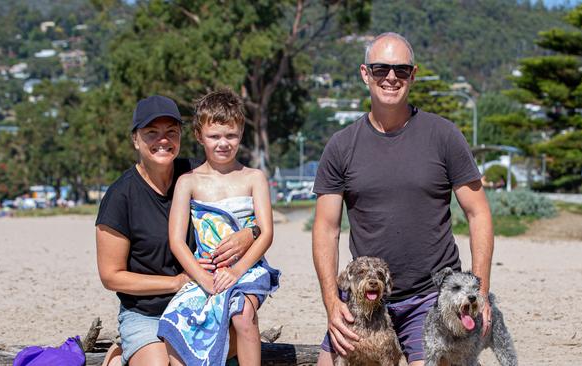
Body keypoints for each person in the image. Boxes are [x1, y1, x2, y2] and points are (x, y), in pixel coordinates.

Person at [312, 32, 494, 366]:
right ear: (365, 74)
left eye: (401, 70)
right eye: (381, 69)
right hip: (363, 301)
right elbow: (326, 228)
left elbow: (479, 213)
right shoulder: (341, 145)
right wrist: (331, 301)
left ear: (414, 74)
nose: (391, 77)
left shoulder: (444, 135)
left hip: (429, 299)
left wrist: (478, 293)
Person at [96, 95, 257, 366]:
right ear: (135, 139)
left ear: (183, 136)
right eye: (151, 133)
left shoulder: (198, 173)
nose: (163, 140)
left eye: (171, 132)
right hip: (146, 313)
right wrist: (175, 282)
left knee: (239, 329)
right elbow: (111, 277)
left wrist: (249, 233)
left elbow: (251, 209)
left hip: (205, 301)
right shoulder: (120, 196)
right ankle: (123, 354)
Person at [157, 89, 280, 366]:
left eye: (231, 135)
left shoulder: (254, 178)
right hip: (206, 271)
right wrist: (201, 276)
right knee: (176, 321)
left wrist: (237, 270)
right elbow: (176, 240)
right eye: (214, 136)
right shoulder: (188, 181)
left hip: (248, 269)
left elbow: (266, 232)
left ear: (241, 134)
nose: (223, 143)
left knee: (242, 315)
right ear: (200, 136)